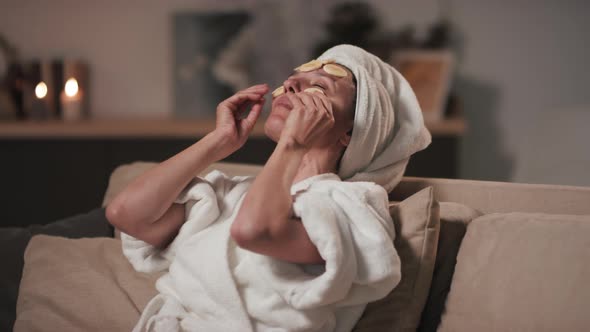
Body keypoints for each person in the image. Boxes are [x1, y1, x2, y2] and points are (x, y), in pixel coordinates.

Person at [106, 44, 431, 332]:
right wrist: (218, 142)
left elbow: (254, 231)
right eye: (294, 79)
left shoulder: (349, 205)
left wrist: (293, 144)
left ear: (352, 132)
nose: (289, 84)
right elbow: (127, 214)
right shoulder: (233, 193)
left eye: (318, 87)